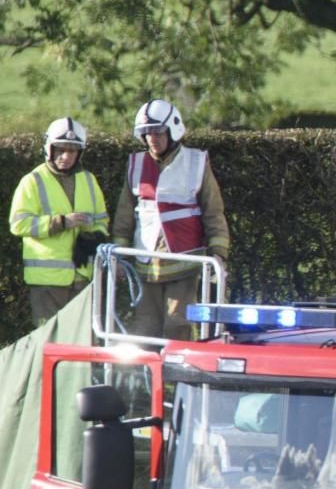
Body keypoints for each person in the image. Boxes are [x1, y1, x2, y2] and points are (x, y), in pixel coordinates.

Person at [111, 99, 230, 341]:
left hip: (183, 261)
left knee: (178, 324)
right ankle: (148, 378)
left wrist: (219, 252)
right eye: (146, 133)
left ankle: (181, 379)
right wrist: (120, 255)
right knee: (144, 329)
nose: (152, 138)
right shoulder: (135, 164)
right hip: (145, 262)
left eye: (157, 132)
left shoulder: (196, 162)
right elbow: (125, 212)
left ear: (172, 130)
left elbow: (213, 210)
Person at [8, 117, 109, 327]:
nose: (65, 156)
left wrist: (94, 237)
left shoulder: (89, 180)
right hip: (47, 280)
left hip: (82, 276)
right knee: (50, 341)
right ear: (49, 149)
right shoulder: (32, 181)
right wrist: (60, 222)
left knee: (81, 340)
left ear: (79, 153)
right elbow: (18, 224)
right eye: (60, 150)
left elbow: (101, 219)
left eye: (72, 151)